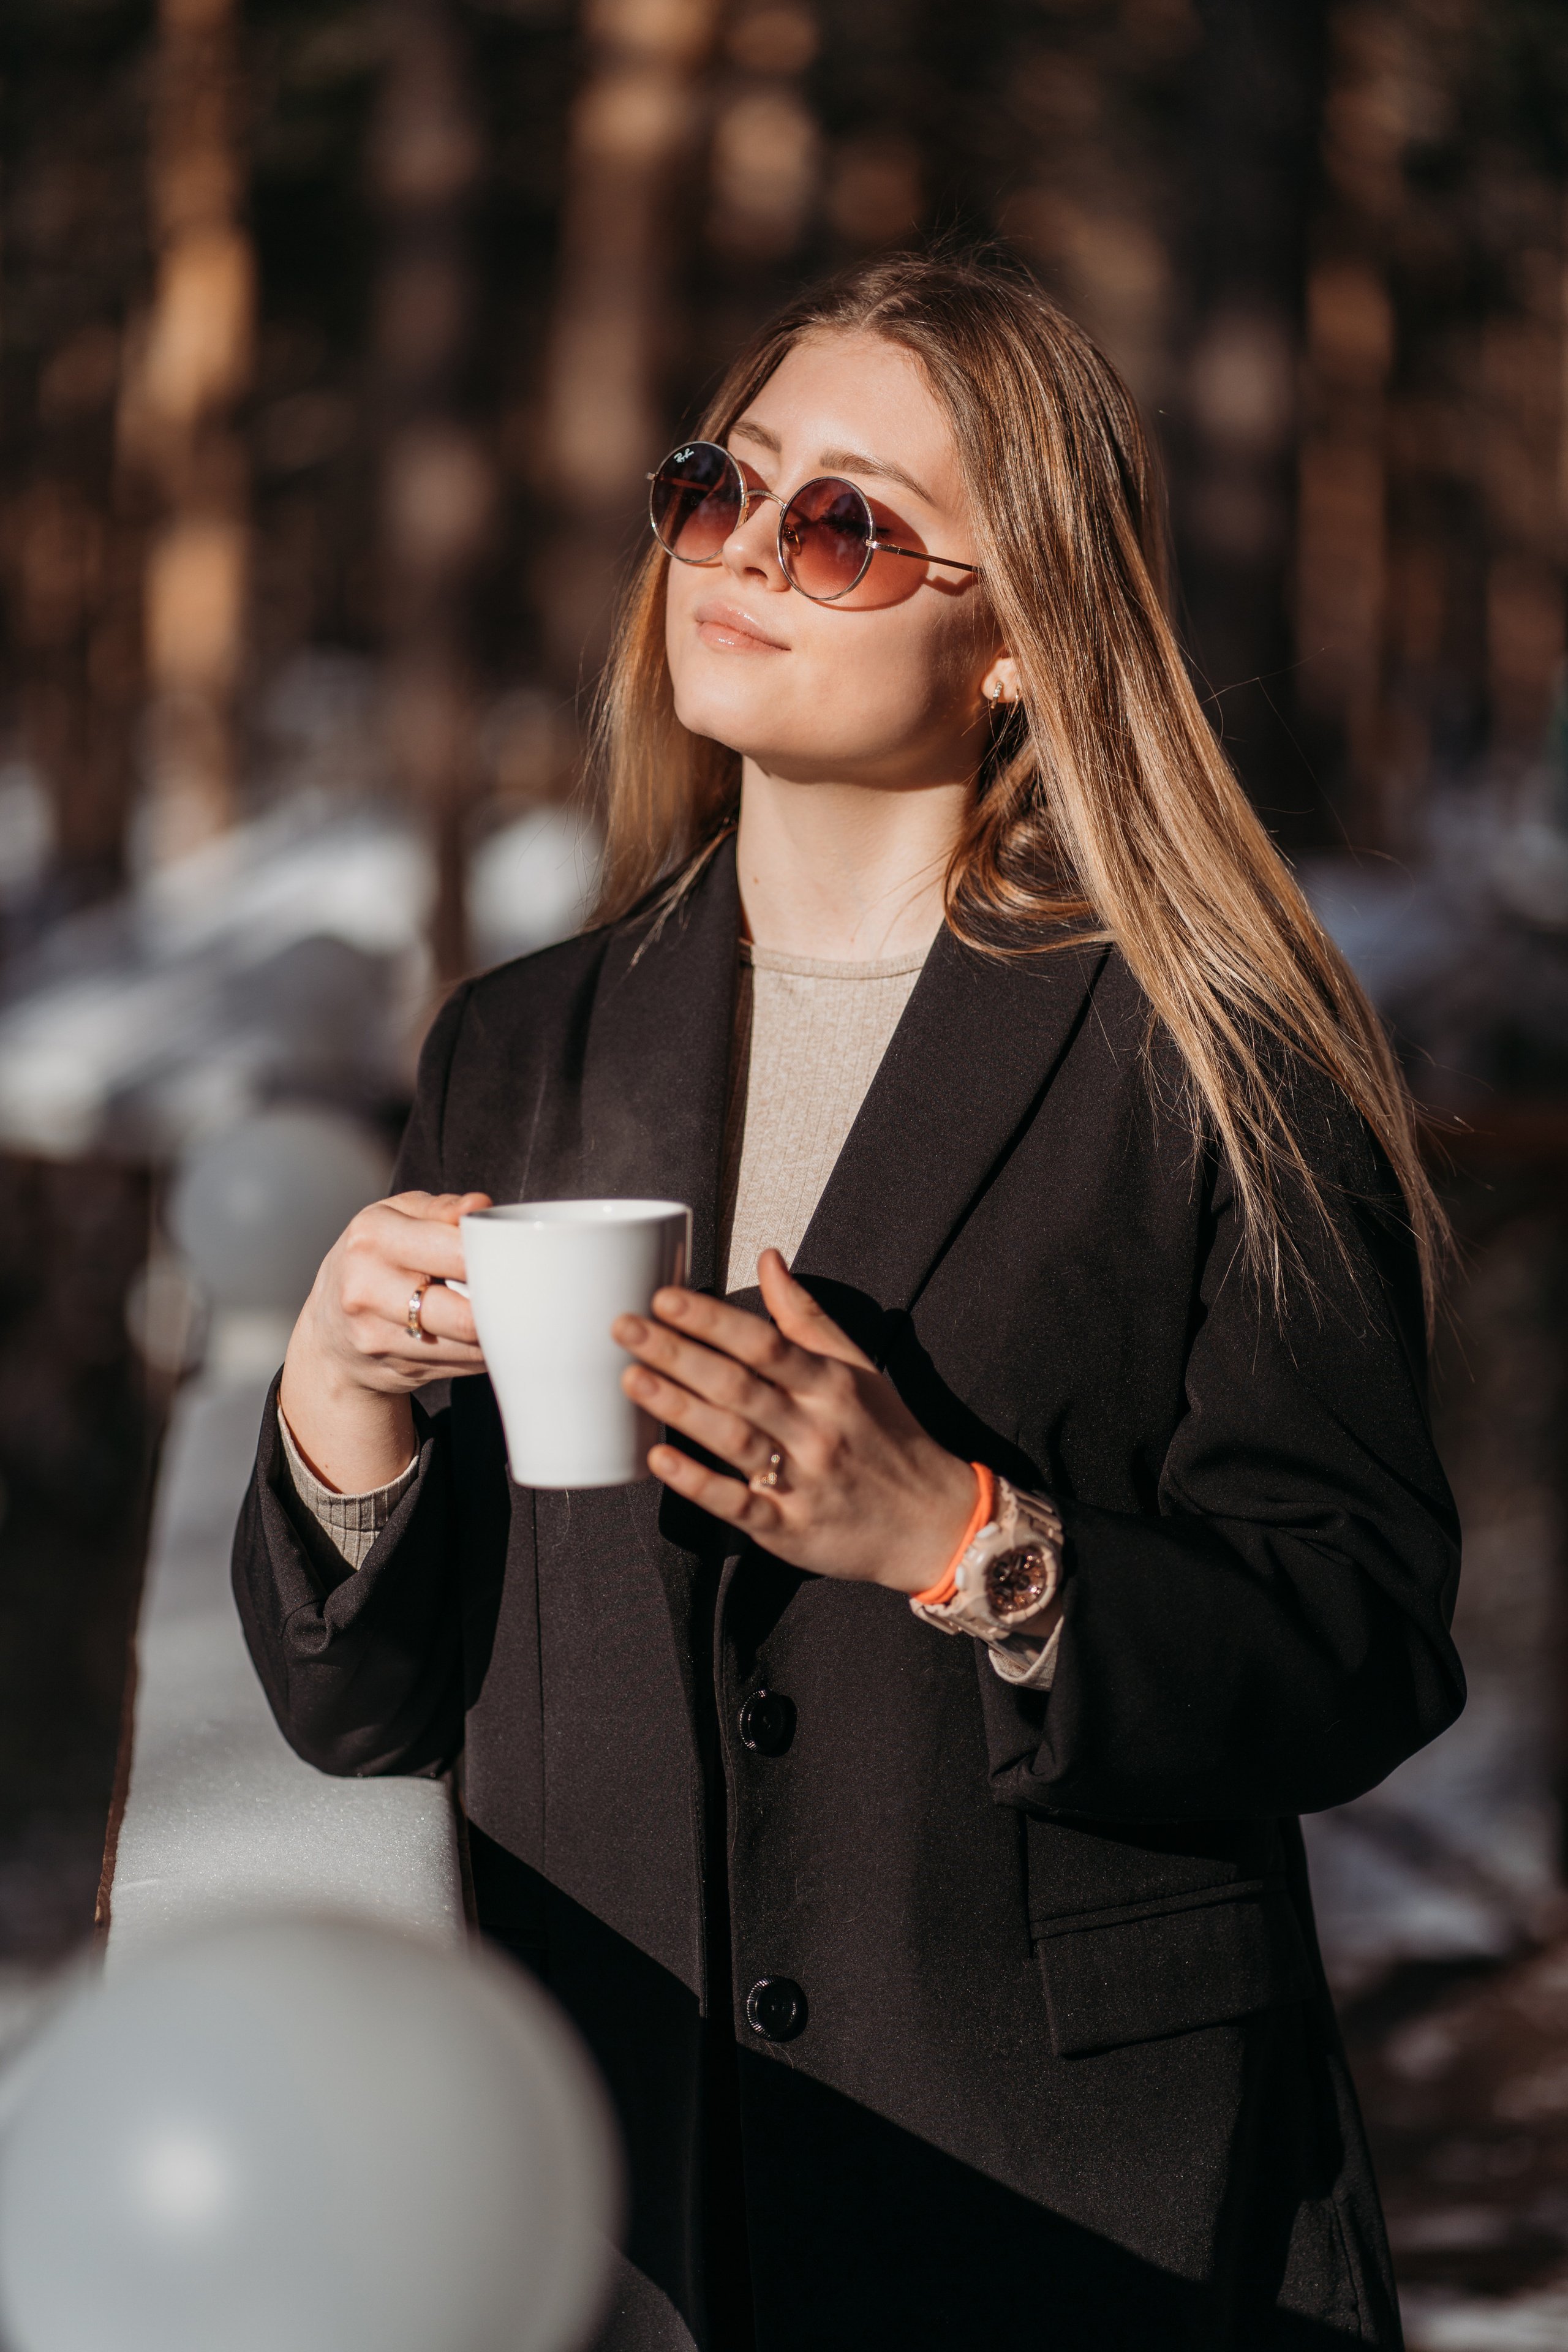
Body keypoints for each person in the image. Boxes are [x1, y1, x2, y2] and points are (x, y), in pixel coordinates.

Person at [233, 250, 1463, 2351]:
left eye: (848, 527)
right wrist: (343, 1412)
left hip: (1073, 2211)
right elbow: (374, 1714)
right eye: (721, 486)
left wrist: (972, 1545)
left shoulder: (1212, 1055)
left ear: (1021, 643)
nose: (742, 555)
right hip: (619, 2189)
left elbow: (1360, 1644)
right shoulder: (517, 1044)